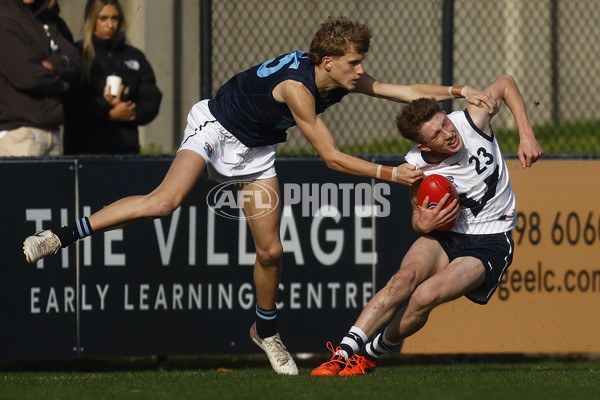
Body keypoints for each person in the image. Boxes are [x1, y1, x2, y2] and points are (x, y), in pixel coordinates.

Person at [23, 17, 496, 375]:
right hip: (215, 128)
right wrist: (393, 175)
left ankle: (265, 331)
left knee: (271, 251)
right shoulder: (299, 88)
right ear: (328, 62)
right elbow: (331, 158)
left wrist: (459, 89)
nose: (362, 70)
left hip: (255, 153)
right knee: (163, 203)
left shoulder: (338, 77)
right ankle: (62, 235)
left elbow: (407, 90)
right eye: (355, 62)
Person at [311, 74, 544, 376]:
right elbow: (416, 219)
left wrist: (526, 134)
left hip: (490, 239)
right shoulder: (415, 166)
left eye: (445, 122)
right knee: (402, 280)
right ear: (423, 146)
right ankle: (342, 354)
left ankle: (370, 353)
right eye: (437, 134)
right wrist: (424, 222)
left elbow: (507, 83)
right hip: (446, 235)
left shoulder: (472, 120)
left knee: (425, 296)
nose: (449, 133)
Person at [63, 0, 162, 155]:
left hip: (125, 150)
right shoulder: (77, 54)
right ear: (92, 19)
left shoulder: (134, 56)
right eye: (103, 18)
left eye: (115, 18)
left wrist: (129, 110)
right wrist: (108, 114)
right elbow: (69, 105)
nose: (110, 25)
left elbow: (152, 99)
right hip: (84, 151)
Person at [0, 0, 81, 156]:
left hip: (52, 131)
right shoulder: (4, 18)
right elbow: (27, 76)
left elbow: (75, 60)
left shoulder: (43, 18)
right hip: (18, 132)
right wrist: (62, 83)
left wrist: (53, 65)